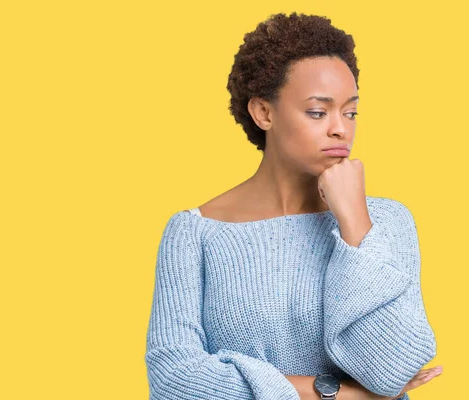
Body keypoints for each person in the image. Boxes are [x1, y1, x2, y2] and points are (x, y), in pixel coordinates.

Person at [144, 11, 442, 400]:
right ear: (264, 112)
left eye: (351, 112)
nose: (341, 128)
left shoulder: (385, 222)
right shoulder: (194, 234)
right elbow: (173, 382)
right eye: (318, 112)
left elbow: (393, 369)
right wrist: (338, 393)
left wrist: (354, 223)